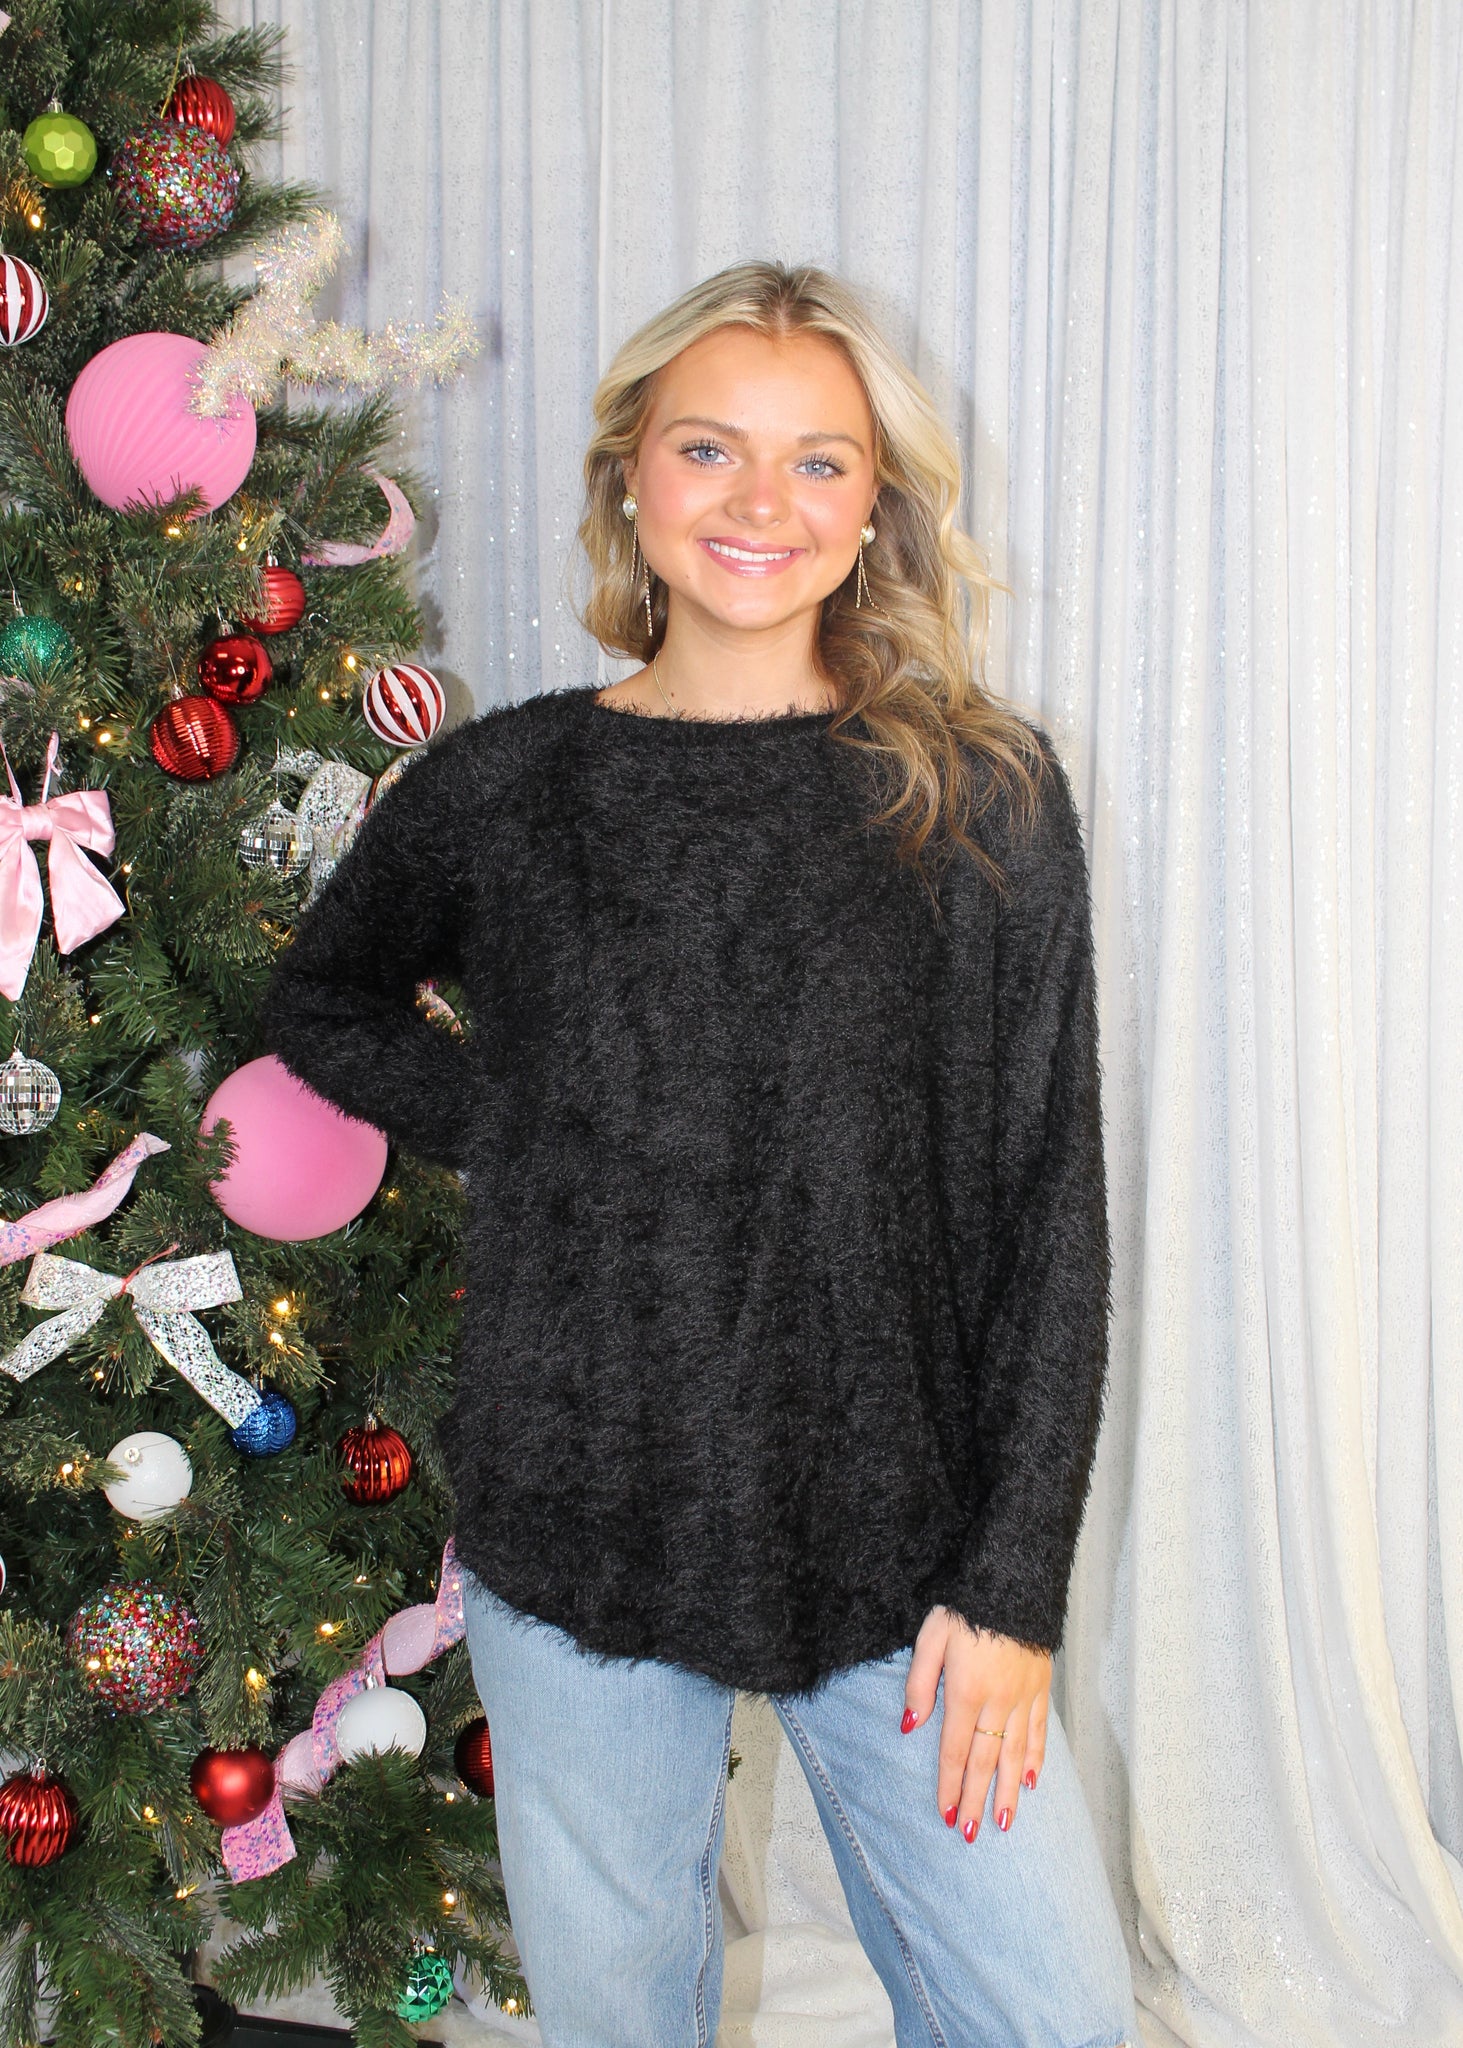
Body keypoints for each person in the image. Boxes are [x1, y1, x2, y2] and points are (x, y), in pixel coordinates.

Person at [261, 260, 1139, 2048]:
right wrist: (518, 1124)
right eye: (711, 447)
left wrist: (1013, 1585)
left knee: (1045, 2012)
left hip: (901, 1533)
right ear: (631, 478)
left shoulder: (980, 792)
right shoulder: (511, 789)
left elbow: (1051, 1207)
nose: (762, 502)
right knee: (616, 2013)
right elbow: (324, 1000)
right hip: (578, 1507)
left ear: (877, 506)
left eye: (821, 461)